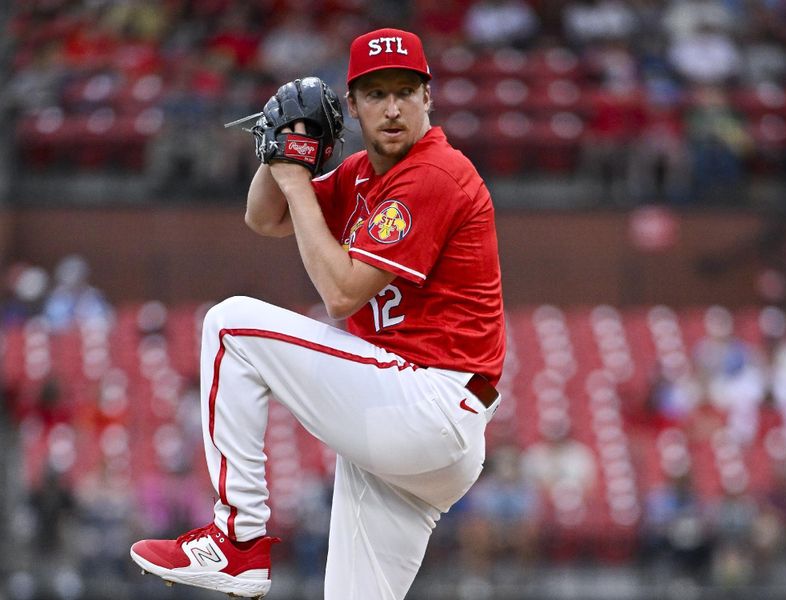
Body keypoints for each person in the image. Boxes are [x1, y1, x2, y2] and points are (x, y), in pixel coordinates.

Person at [129, 27, 506, 600]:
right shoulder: (362, 174)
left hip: (429, 404)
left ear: (429, 97)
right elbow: (266, 217)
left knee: (229, 325)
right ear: (351, 105)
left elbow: (341, 294)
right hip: (415, 426)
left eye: (406, 90)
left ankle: (238, 541)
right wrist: (279, 152)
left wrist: (295, 177)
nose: (394, 107)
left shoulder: (433, 173)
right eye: (376, 94)